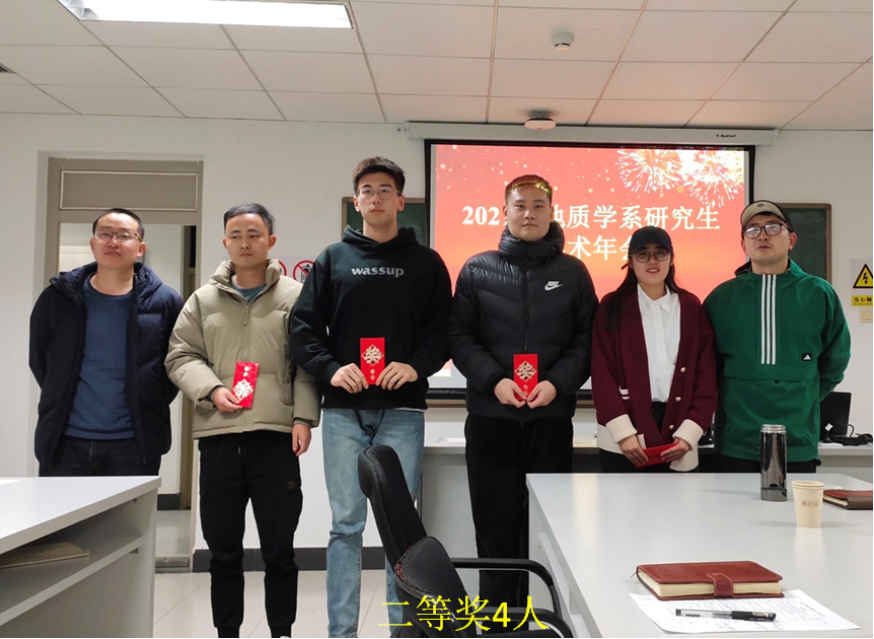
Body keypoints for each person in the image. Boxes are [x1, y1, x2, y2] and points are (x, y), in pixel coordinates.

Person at [290, 157, 451, 638]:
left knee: (400, 530)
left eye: (385, 190)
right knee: (345, 526)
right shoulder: (333, 259)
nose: (375, 197)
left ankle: (401, 631)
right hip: (344, 413)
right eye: (367, 190)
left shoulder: (426, 263)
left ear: (401, 201)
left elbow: (445, 331)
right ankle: (342, 632)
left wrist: (416, 365)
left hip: (403, 411)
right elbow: (302, 330)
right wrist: (333, 369)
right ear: (356, 201)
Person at [165, 203, 320, 639]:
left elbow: (306, 363)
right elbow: (180, 356)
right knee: (223, 552)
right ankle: (227, 631)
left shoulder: (295, 296)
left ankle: (281, 630)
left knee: (280, 551)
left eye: (254, 234)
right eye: (236, 235)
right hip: (219, 436)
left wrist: (304, 417)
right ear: (225, 242)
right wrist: (212, 389)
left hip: (275, 438)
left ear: (271, 241)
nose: (245, 242)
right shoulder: (202, 300)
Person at [448, 174, 598, 609]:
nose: (528, 213)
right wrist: (495, 381)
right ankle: (499, 626)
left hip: (550, 421)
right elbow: (459, 336)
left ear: (552, 213)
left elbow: (587, 340)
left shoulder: (573, 272)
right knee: (494, 531)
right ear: (504, 212)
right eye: (520, 205)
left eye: (538, 205)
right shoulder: (477, 269)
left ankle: (546, 621)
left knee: (546, 530)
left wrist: (557, 384)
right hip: (491, 420)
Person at [29, 207, 183, 476]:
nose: (113, 242)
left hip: (135, 443)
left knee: (130, 508)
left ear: (140, 248)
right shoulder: (58, 297)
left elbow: (174, 365)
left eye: (124, 235)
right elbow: (40, 359)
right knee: (64, 507)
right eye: (105, 234)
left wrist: (150, 399)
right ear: (93, 243)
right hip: (64, 441)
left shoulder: (166, 302)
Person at [704, 200, 851, 473]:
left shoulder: (819, 294)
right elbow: (706, 366)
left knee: (795, 503)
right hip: (736, 442)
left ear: (791, 240)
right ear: (743, 245)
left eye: (772, 227)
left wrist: (805, 394)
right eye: (753, 230)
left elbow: (836, 360)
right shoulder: (721, 298)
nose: (762, 235)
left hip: (797, 440)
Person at [592, 226, 717, 473]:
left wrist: (688, 435)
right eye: (643, 254)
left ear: (671, 259)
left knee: (680, 499)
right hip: (623, 441)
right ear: (630, 262)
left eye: (660, 253)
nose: (652, 261)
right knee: (621, 499)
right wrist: (624, 434)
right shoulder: (612, 306)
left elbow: (706, 377)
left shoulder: (691, 307)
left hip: (680, 437)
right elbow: (602, 374)